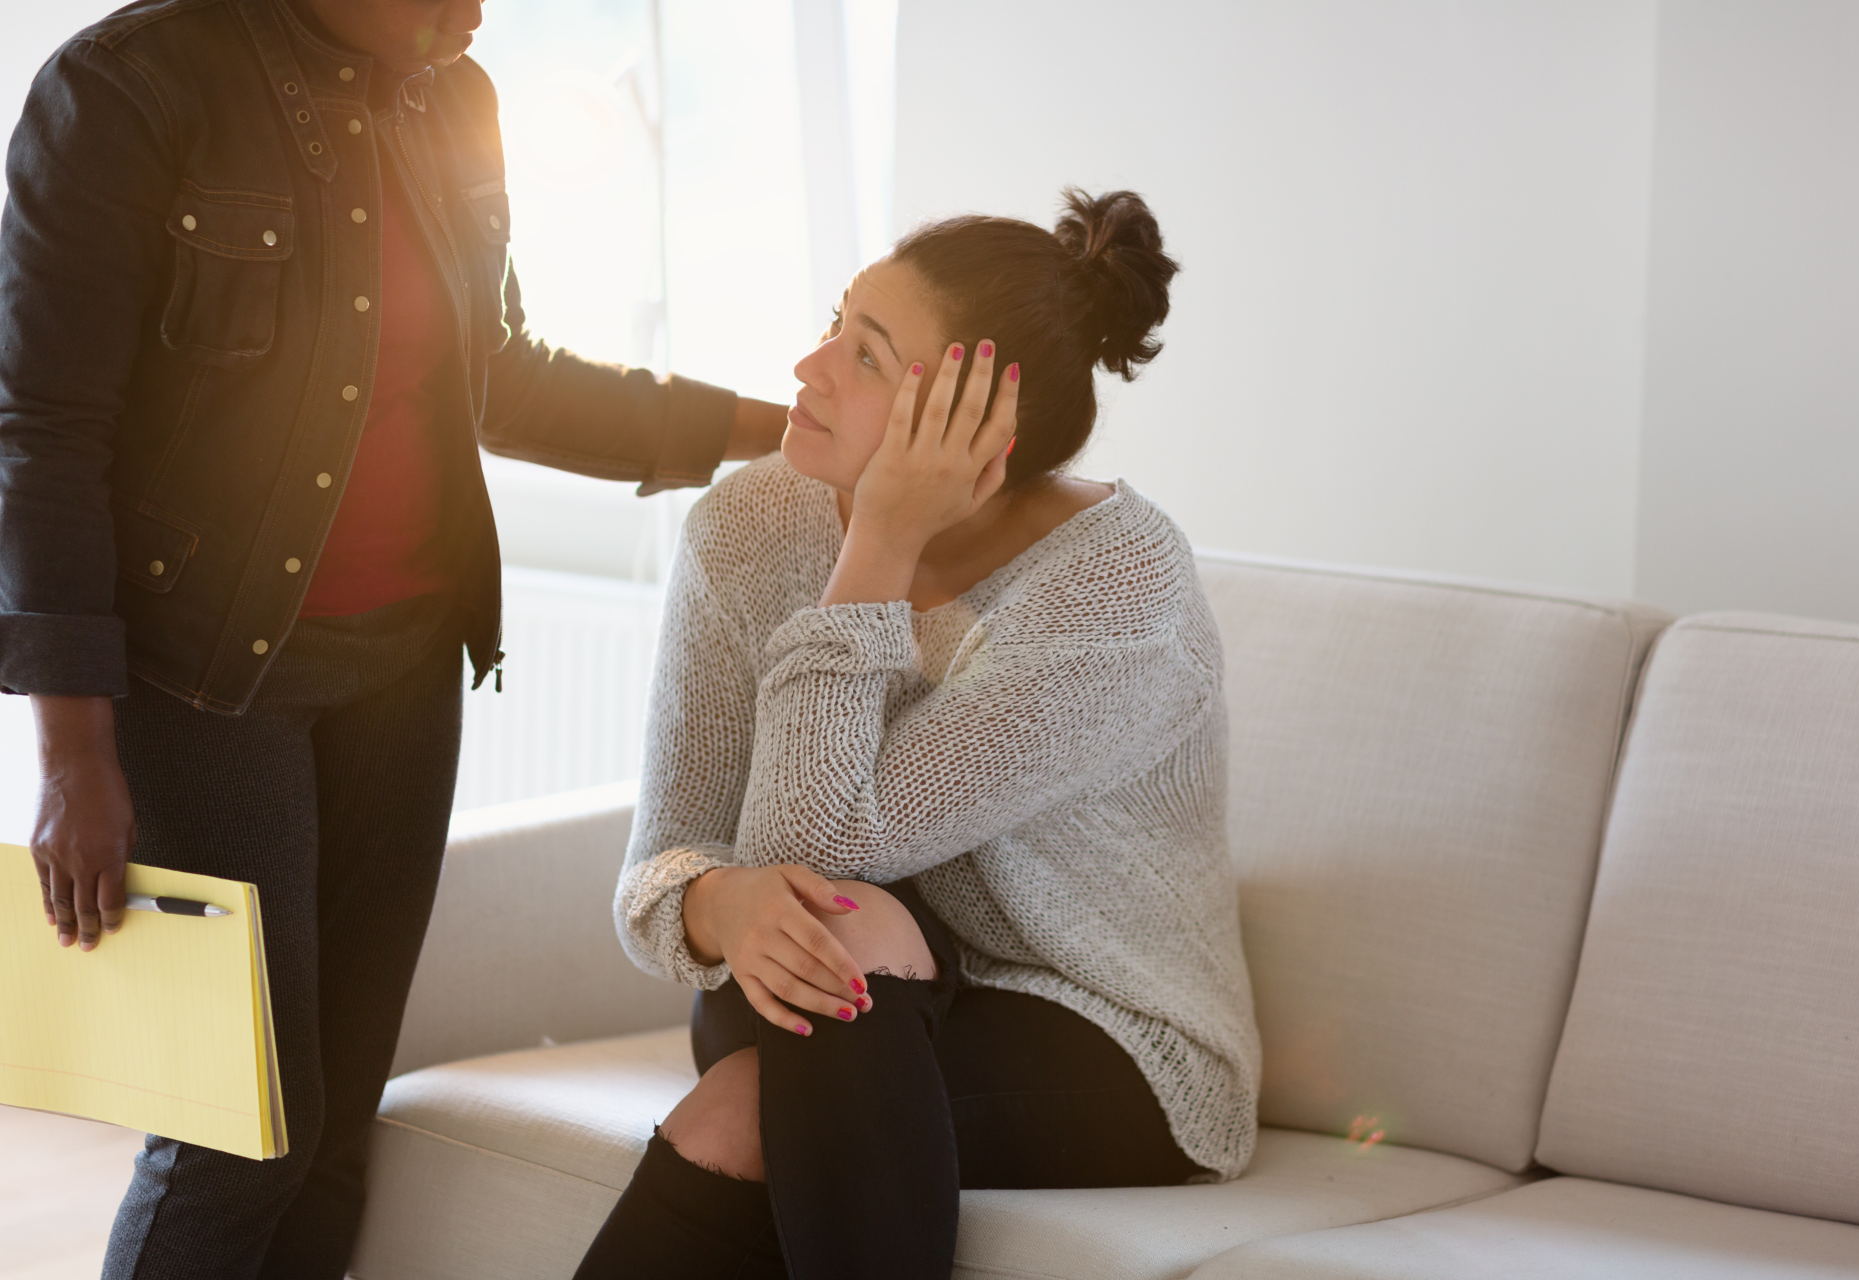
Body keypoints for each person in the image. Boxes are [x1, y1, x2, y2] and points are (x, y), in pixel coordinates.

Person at [0, 1, 785, 1276]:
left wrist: (777, 430)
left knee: (341, 1115)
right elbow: (39, 431)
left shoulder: (455, 94)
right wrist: (73, 751)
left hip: (407, 671)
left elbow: (503, 374)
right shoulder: (126, 89)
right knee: (241, 1129)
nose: (475, 10)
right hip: (205, 679)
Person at [576, 189, 1262, 1280]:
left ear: (981, 425)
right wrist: (718, 901)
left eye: (867, 358)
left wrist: (880, 544)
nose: (807, 369)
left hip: (1097, 1027)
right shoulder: (747, 527)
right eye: (835, 323)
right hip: (819, 971)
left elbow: (823, 838)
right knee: (826, 941)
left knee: (753, 1089)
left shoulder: (1118, 585)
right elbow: (668, 857)